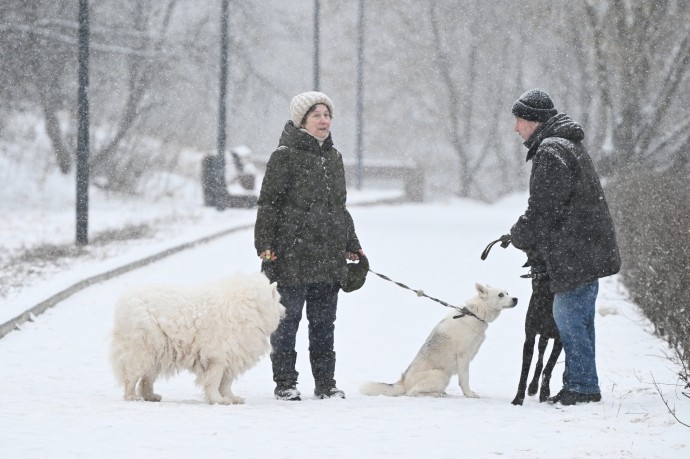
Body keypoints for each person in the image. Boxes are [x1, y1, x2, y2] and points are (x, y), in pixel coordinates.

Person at [508, 88, 621, 406]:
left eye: (518, 120)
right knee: (579, 318)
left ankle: (583, 387)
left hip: (575, 251)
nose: (516, 128)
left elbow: (544, 208)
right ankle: (582, 382)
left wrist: (520, 234)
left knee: (569, 317)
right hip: (584, 247)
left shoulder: (552, 151)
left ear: (533, 120)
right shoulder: (564, 145)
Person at [254, 91, 364, 401]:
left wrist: (351, 242)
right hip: (291, 257)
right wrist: (265, 246)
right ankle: (285, 383)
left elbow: (338, 207)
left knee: (324, 326)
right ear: (302, 120)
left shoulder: (334, 157)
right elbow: (268, 205)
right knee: (286, 325)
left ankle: (326, 383)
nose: (324, 120)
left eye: (327, 114)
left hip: (327, 258)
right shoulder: (284, 155)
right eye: (316, 114)